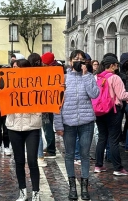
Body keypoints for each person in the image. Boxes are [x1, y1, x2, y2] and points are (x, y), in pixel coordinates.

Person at [54, 50, 99, 200]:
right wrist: (58, 125)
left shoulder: (89, 77)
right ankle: (72, 186)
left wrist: (86, 75)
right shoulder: (63, 78)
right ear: (70, 61)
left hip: (86, 122)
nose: (79, 61)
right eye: (76, 59)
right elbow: (57, 103)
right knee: (69, 154)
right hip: (68, 123)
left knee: (85, 155)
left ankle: (84, 186)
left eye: (82, 59)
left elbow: (94, 94)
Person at [0, 56, 42, 201]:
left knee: (32, 160)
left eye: (17, 68)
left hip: (32, 126)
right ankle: (22, 191)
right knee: (19, 161)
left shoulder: (36, 84)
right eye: (13, 68)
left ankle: (36, 192)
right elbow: (2, 105)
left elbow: (46, 99)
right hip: (14, 126)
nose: (14, 71)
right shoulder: (8, 83)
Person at [94, 56, 128, 176]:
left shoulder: (97, 77)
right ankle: (117, 168)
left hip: (99, 111)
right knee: (113, 140)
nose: (118, 67)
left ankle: (98, 165)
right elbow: (122, 95)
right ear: (112, 65)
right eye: (116, 65)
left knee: (102, 138)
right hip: (113, 111)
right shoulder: (115, 78)